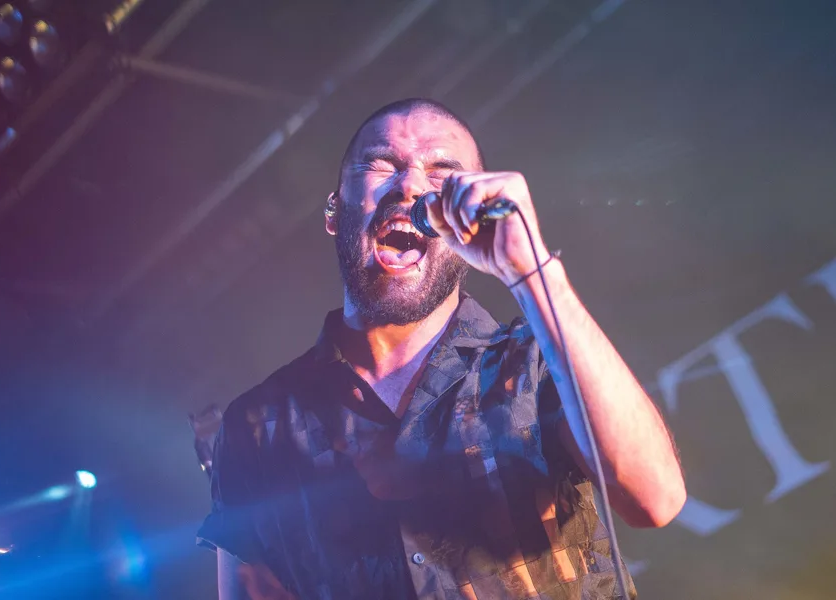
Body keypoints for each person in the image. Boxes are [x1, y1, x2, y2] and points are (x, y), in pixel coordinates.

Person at [198, 98, 686, 600]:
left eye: (441, 173)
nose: (409, 185)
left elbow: (655, 498)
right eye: (381, 163)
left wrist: (531, 268)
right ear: (333, 212)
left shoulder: (536, 360)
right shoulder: (259, 425)